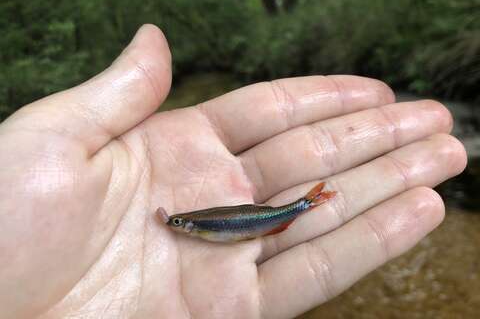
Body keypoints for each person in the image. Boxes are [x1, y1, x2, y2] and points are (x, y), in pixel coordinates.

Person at [0, 24, 467, 319]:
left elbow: (223, 225)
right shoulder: (198, 228)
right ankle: (308, 202)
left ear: (192, 225)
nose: (178, 226)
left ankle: (307, 202)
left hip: (271, 213)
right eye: (180, 224)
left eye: (181, 223)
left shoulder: (200, 226)